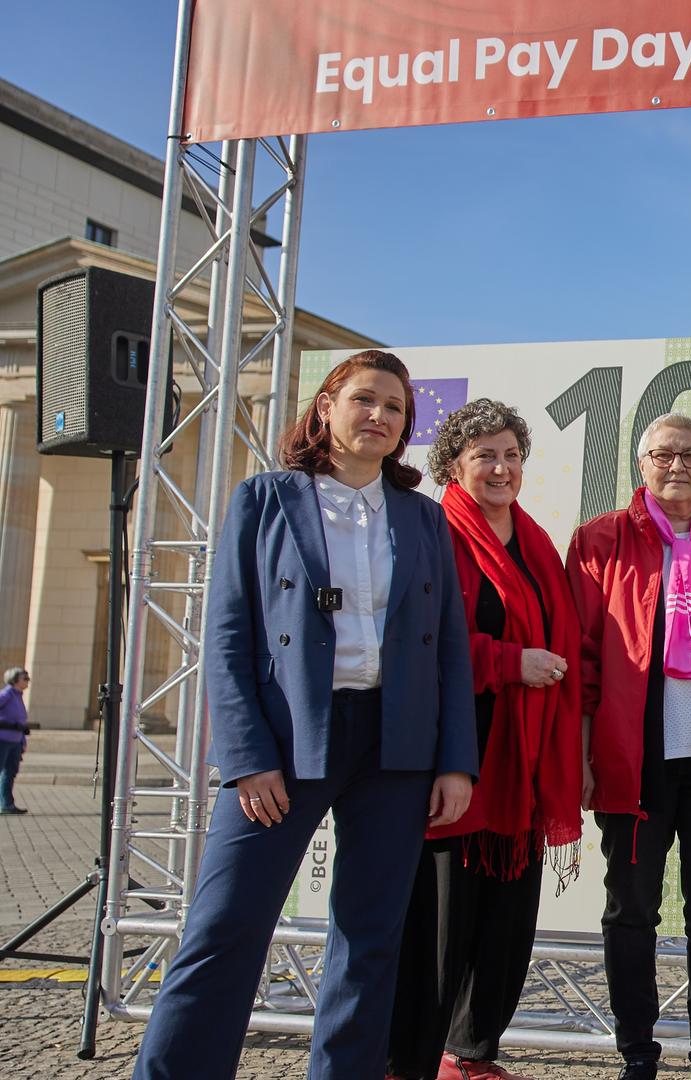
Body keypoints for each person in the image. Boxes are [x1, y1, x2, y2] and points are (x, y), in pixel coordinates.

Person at [134, 350, 478, 1080]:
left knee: (371, 938)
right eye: (365, 400)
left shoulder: (422, 519)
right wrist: (247, 755)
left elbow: (449, 647)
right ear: (325, 407)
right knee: (225, 928)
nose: (380, 416)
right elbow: (227, 636)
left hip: (396, 746)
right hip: (286, 742)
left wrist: (455, 760)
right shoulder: (264, 499)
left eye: (395, 407)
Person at [566, 414, 691, 1080]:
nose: (676, 465)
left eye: (690, 454)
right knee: (631, 911)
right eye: (662, 454)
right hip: (636, 760)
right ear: (640, 462)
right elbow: (585, 660)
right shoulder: (599, 540)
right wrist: (588, 753)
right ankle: (637, 1053)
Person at [386, 399, 583, 1080]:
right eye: (484, 456)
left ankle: (470, 1056)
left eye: (510, 455)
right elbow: (415, 641)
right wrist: (508, 662)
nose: (501, 468)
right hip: (454, 758)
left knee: (505, 927)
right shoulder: (432, 530)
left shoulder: (532, 540)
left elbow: (564, 645)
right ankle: (404, 1060)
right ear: (452, 465)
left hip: (522, 765)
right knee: (439, 931)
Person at [0, 668, 28, 814]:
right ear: (15, 679)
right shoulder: (6, 694)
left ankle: (7, 804)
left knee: (10, 772)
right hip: (3, 739)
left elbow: (20, 720)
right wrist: (9, 725)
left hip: (15, 740)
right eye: (25, 678)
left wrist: (23, 741)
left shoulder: (18, 696)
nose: (27, 681)